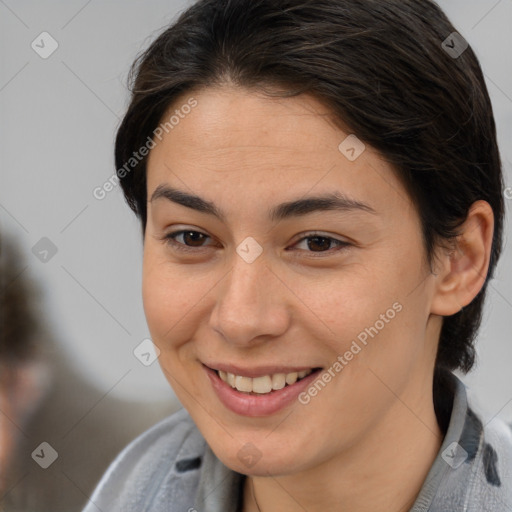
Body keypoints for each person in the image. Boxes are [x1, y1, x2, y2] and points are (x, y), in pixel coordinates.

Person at [82, 0, 512, 510]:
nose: (240, 320)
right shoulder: (129, 488)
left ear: (459, 260)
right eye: (193, 238)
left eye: (318, 243)